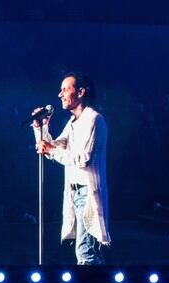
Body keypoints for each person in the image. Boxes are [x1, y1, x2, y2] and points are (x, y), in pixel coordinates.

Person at [33, 72, 109, 265]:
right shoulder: (72, 123)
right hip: (74, 193)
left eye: (65, 89)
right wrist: (40, 128)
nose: (60, 94)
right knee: (87, 252)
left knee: (86, 253)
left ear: (81, 92)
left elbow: (84, 159)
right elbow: (53, 148)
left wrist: (50, 149)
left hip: (87, 194)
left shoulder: (93, 119)